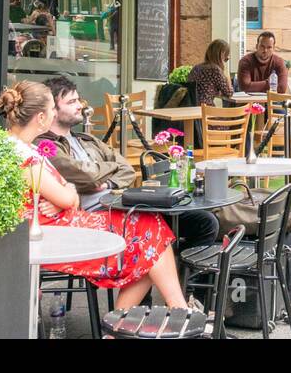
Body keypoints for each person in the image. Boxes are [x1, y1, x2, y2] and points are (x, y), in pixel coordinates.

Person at [0, 81, 193, 312]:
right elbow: (69, 197)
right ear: (40, 118)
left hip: (59, 225)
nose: (53, 115)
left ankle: (145, 317)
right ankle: (149, 316)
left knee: (152, 233)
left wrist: (65, 195)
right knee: (151, 237)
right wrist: (66, 196)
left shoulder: (18, 148)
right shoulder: (24, 155)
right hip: (53, 237)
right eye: (51, 110)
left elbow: (67, 193)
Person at [37, 75, 219, 252]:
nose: (79, 106)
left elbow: (127, 169)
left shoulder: (87, 139)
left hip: (124, 203)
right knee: (164, 228)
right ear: (52, 110)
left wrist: (108, 182)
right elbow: (88, 176)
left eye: (78, 100)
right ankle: (165, 274)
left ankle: (179, 275)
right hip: (100, 214)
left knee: (205, 221)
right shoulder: (47, 146)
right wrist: (110, 168)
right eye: (71, 102)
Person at [188, 39, 233, 105]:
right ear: (222, 54)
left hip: (191, 107)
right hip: (206, 109)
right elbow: (228, 93)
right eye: (226, 55)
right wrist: (226, 73)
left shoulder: (196, 67)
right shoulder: (215, 69)